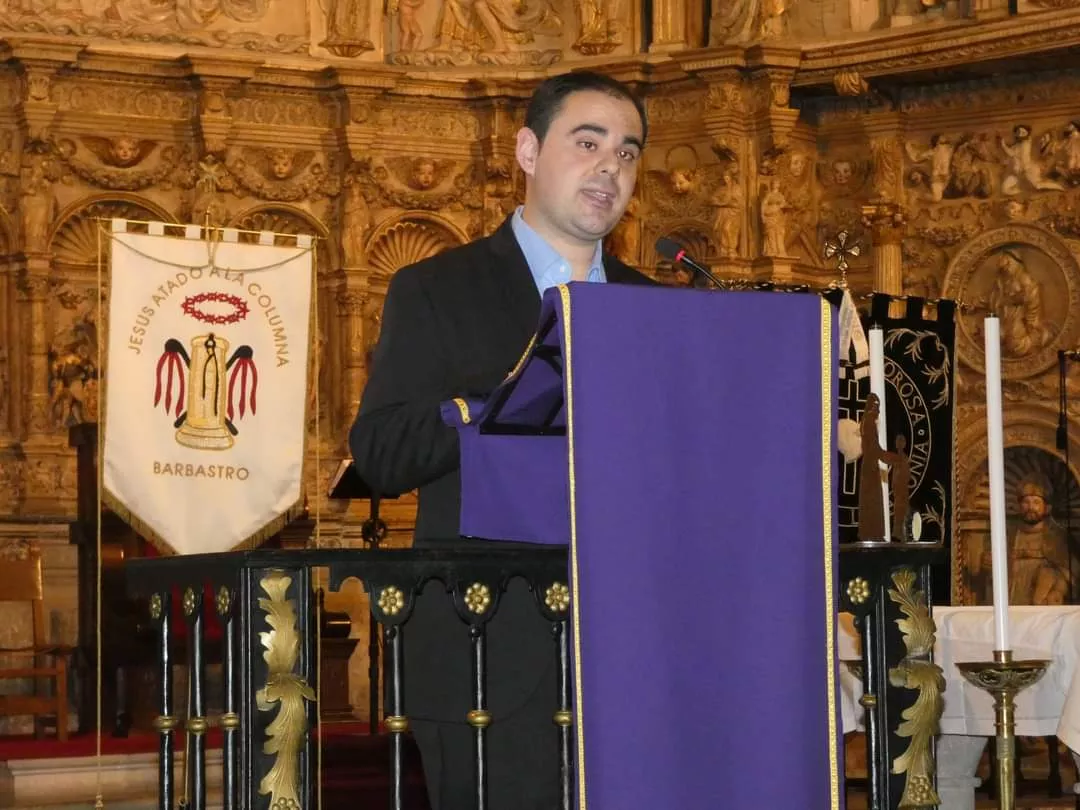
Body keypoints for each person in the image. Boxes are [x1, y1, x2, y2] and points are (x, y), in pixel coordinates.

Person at [349, 71, 655, 810]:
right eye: (588, 143)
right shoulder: (436, 289)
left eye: (627, 152)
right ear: (526, 148)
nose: (609, 167)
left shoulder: (658, 306)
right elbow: (381, 449)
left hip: (640, 658)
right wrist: (497, 406)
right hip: (487, 651)